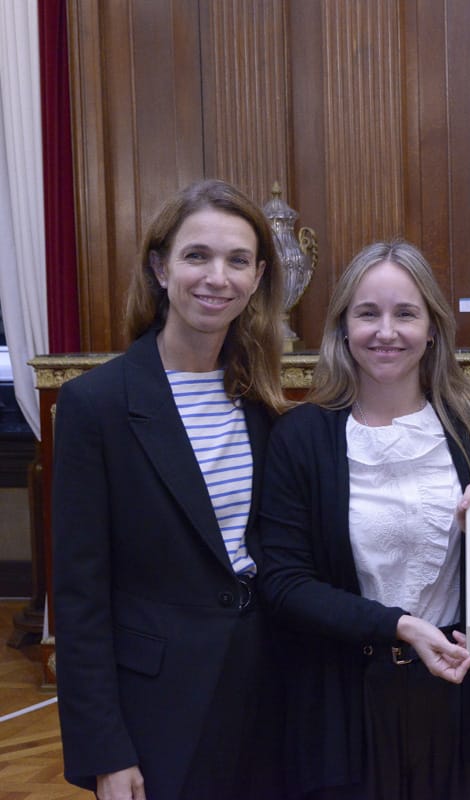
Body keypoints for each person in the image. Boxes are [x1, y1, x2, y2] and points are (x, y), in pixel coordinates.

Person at [257, 240, 470, 800]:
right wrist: (397, 625)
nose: (386, 331)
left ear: (433, 328)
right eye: (368, 313)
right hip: (344, 703)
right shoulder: (301, 437)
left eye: (405, 313)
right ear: (342, 327)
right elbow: (284, 584)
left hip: (465, 700)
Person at [52, 179, 289, 799]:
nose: (218, 277)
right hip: (158, 707)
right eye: (196, 256)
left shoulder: (263, 401)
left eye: (238, 260)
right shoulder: (94, 405)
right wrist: (105, 750)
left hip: (267, 691)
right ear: (160, 267)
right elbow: (79, 598)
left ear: (258, 276)